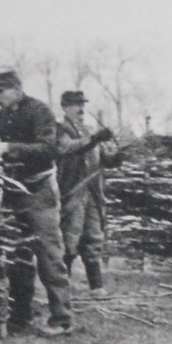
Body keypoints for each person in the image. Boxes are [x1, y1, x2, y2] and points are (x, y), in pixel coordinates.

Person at [0, 69, 73, 336]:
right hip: (11, 191)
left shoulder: (39, 111)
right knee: (18, 256)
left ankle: (62, 318)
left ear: (17, 89)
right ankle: (21, 316)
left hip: (38, 191)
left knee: (49, 255)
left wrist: (6, 148)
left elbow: (48, 149)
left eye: (0, 91)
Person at [55, 90, 118, 293]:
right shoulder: (60, 130)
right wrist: (95, 138)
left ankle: (96, 287)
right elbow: (69, 148)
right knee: (70, 238)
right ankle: (63, 288)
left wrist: (114, 157)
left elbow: (100, 157)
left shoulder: (88, 130)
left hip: (92, 193)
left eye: (82, 104)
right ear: (64, 107)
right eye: (75, 104)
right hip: (72, 191)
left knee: (93, 237)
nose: (81, 109)